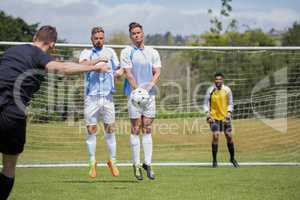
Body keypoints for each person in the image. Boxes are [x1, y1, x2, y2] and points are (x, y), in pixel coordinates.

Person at [0, 25, 110, 199]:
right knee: (8, 167)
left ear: (35, 37)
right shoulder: (39, 55)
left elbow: (68, 64)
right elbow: (64, 69)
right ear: (52, 44)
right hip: (11, 113)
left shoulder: (12, 51)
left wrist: (93, 62)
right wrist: (95, 68)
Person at [79, 26, 123, 178]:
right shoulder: (86, 53)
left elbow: (119, 69)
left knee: (110, 130)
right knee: (91, 130)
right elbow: (82, 66)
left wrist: (118, 73)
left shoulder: (110, 52)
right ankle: (92, 162)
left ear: (104, 38)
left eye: (101, 38)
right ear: (91, 39)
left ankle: (113, 161)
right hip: (91, 98)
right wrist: (98, 63)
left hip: (108, 97)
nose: (99, 41)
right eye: (96, 38)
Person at [120, 22, 161, 180]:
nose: (137, 35)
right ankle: (136, 165)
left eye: (139, 32)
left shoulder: (153, 52)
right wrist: (138, 90)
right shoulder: (127, 51)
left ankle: (148, 164)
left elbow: (157, 72)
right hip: (134, 95)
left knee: (148, 127)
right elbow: (128, 73)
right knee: (136, 128)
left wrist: (148, 88)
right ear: (130, 36)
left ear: (142, 33)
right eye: (134, 34)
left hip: (149, 95)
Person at [203, 72, 239, 168]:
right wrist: (208, 115)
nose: (218, 81)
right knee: (216, 136)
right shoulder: (210, 90)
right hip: (214, 118)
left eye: (219, 79)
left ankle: (232, 158)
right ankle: (214, 161)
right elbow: (205, 104)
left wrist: (229, 114)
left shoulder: (227, 90)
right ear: (214, 80)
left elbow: (230, 103)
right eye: (216, 79)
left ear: (222, 80)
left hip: (225, 118)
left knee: (229, 136)